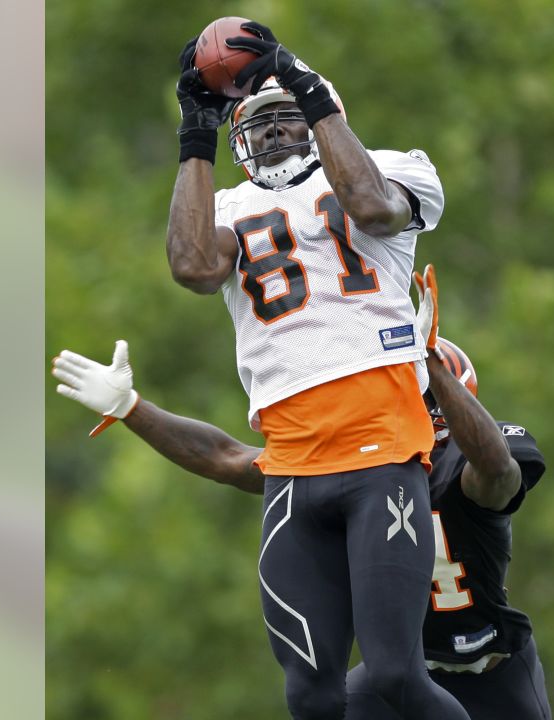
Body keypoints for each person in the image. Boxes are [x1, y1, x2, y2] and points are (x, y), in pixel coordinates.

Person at [52, 267, 552, 719]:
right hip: (406, 676)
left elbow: (497, 470)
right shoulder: (360, 461)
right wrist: (131, 408)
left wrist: (429, 364)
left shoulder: (470, 465)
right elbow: (231, 458)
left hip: (496, 667)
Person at [152, 17, 457, 720]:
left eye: (290, 118)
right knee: (309, 694)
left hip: (382, 448)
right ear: (238, 144)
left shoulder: (397, 168)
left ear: (323, 113)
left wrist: (306, 87)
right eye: (258, 127)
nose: (277, 135)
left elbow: (375, 209)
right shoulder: (227, 205)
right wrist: (195, 134)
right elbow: (193, 267)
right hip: (291, 466)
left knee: (394, 674)